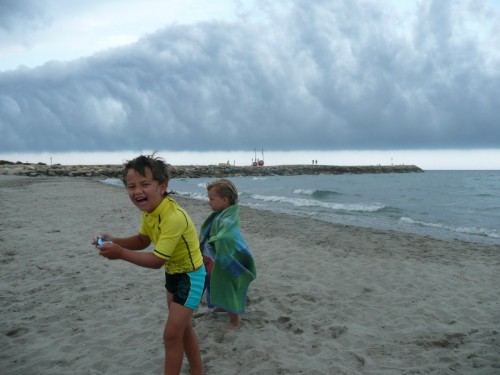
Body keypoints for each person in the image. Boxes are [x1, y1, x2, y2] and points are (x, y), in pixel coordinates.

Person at [92, 154, 205, 375]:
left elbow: (156, 261)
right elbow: (143, 240)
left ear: (162, 186)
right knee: (182, 330)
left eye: (145, 184)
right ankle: (197, 372)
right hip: (173, 274)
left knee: (171, 336)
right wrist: (114, 241)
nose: (137, 191)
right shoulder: (150, 211)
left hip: (191, 277)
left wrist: (120, 253)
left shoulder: (174, 217)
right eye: (131, 186)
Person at [199, 179, 257, 328]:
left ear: (225, 200)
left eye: (211, 199)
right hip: (217, 254)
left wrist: (215, 239)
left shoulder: (229, 216)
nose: (209, 202)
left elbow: (228, 235)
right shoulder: (221, 213)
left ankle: (235, 320)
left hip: (230, 255)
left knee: (228, 284)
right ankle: (224, 306)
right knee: (216, 282)